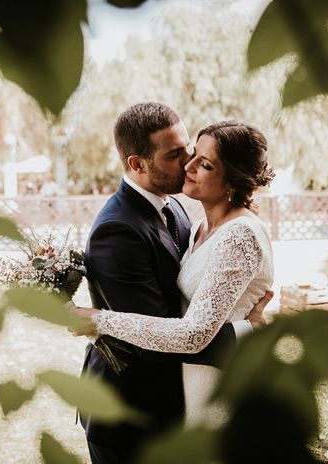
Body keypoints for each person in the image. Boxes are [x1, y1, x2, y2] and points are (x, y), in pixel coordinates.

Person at [76, 103, 273, 464]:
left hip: (189, 395)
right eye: (177, 155)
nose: (187, 163)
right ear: (137, 164)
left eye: (194, 153)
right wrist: (246, 331)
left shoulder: (178, 208)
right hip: (128, 412)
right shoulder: (118, 230)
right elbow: (155, 342)